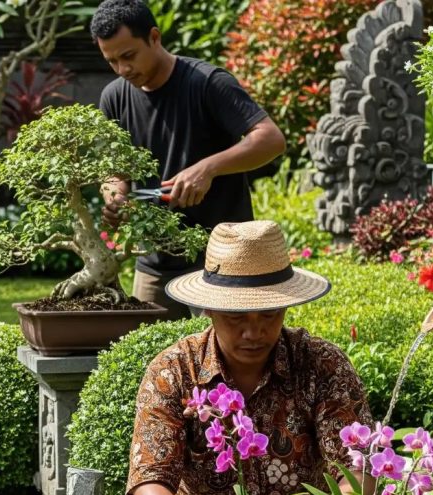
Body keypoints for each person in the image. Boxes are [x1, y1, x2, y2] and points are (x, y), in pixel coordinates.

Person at [122, 220, 373, 495]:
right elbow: (149, 483)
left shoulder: (320, 364)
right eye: (236, 317)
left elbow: (357, 471)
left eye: (268, 314)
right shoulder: (174, 370)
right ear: (210, 310)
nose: (254, 333)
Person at [91, 0, 287, 319]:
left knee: (224, 358)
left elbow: (270, 139)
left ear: (154, 37)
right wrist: (115, 197)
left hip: (224, 259)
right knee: (149, 356)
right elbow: (114, 172)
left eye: (128, 56)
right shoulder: (114, 97)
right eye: (111, 61)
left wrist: (208, 168)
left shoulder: (207, 82)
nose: (122, 69)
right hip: (155, 263)